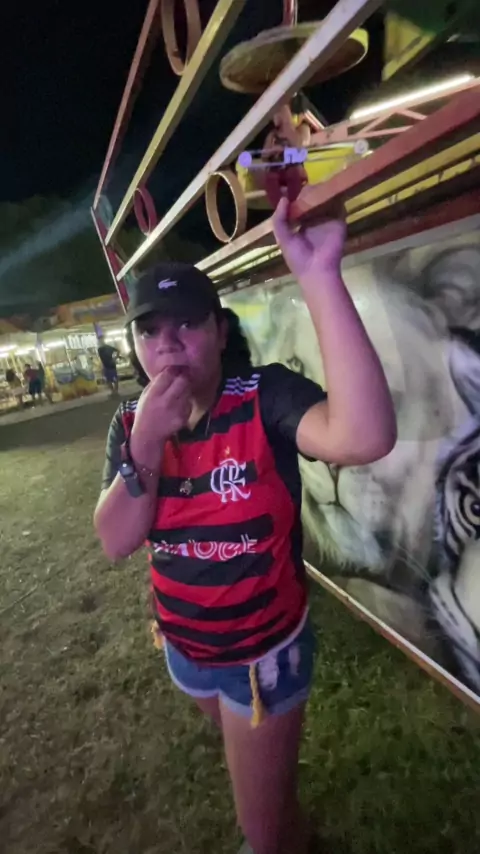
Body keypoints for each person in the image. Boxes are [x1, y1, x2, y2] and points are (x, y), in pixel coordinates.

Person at [94, 198, 397, 854]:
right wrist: (145, 443)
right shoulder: (131, 424)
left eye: (187, 323)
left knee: (259, 831)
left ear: (220, 331)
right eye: (150, 330)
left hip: (261, 659)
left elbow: (365, 435)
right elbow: (115, 539)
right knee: (267, 793)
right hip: (184, 650)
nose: (168, 342)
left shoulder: (263, 397)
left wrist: (318, 275)